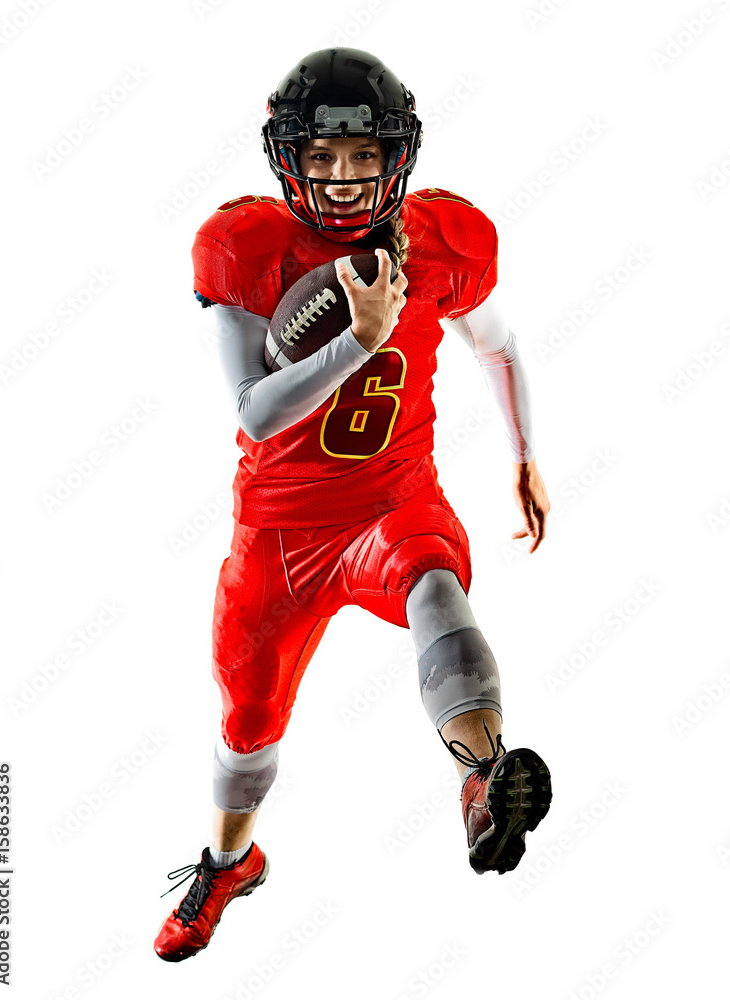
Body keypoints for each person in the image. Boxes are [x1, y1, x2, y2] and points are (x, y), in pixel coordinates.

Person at [154, 47, 552, 963]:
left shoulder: (443, 240)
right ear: (286, 156)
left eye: (362, 155)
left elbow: (498, 345)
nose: (341, 178)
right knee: (248, 735)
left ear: (397, 154)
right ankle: (231, 862)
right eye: (322, 157)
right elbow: (255, 412)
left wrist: (526, 456)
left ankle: (485, 777)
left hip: (393, 499)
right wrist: (360, 343)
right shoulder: (244, 249)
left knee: (440, 595)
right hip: (282, 534)